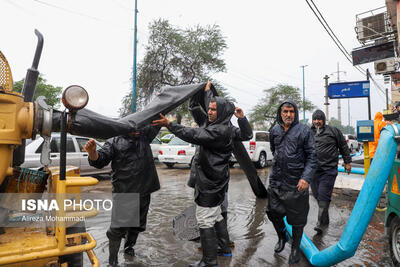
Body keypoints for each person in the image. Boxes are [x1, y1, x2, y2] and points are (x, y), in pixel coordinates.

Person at [152, 84, 252, 267]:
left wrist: (170, 124)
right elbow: (247, 134)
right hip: (218, 181)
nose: (210, 112)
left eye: (214, 109)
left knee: (205, 219)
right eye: (210, 108)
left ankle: (209, 261)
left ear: (221, 112)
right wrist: (242, 118)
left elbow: (193, 134)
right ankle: (224, 249)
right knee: (216, 216)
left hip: (209, 182)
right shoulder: (227, 127)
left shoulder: (217, 131)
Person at [84, 125, 160, 266]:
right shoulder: (114, 142)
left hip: (145, 190)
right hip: (125, 192)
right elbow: (100, 160)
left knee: (137, 225)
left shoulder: (144, 136)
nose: (138, 129)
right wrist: (92, 152)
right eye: (134, 127)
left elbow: (156, 120)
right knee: (117, 229)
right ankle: (113, 261)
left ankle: (129, 248)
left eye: (140, 126)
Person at [266, 99, 316, 264]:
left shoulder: (304, 131)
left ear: (295, 113)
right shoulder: (274, 130)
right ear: (280, 113)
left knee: (297, 220)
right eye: (285, 112)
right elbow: (274, 150)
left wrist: (306, 177)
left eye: (291, 112)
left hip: (297, 184)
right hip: (277, 182)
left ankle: (295, 249)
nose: (288, 115)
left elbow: (312, 156)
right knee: (273, 213)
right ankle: (282, 237)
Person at [310, 109, 351, 234]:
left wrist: (347, 162)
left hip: (328, 170)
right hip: (313, 171)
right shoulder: (308, 132)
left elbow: (343, 146)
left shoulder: (333, 131)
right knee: (317, 195)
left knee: (323, 194)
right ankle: (325, 219)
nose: (317, 122)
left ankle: (320, 224)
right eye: (315, 119)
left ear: (323, 120)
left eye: (319, 119)